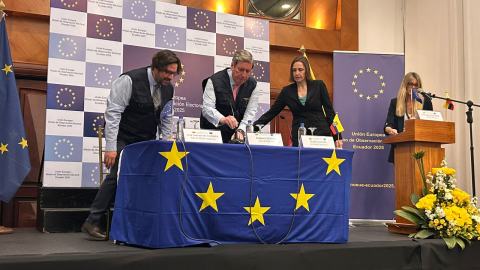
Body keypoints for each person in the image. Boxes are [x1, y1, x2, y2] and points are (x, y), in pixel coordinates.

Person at [81, 50, 182, 240]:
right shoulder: (129, 80)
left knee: (148, 177)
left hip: (146, 140)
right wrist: (111, 147)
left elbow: (166, 117)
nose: (170, 77)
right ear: (156, 67)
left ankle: (135, 222)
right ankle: (92, 221)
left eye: (173, 73)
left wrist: (166, 140)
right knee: (116, 173)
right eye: (168, 72)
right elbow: (113, 114)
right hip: (123, 138)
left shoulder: (169, 88)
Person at [253, 56, 343, 148]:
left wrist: (338, 136)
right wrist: (252, 128)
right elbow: (271, 113)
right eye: (294, 70)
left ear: (306, 71)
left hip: (320, 135)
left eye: (300, 70)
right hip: (299, 136)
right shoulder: (287, 91)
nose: (297, 73)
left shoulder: (319, 85)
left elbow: (330, 112)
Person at [200, 49, 260, 143]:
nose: (244, 75)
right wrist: (223, 119)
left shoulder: (253, 86)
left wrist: (241, 130)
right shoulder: (214, 81)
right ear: (232, 66)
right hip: (213, 135)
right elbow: (207, 108)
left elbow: (250, 113)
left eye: (248, 71)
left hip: (237, 137)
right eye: (240, 70)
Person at [384, 72, 433, 163]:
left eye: (416, 85)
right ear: (405, 85)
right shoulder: (395, 103)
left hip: (420, 147)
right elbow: (388, 125)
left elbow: (430, 125)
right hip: (400, 147)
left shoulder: (425, 102)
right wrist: (391, 130)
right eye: (410, 84)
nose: (413, 87)